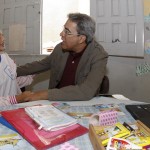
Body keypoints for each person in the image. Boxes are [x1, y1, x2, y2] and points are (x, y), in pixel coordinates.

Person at [17, 13, 108, 101]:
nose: (61, 34)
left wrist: (45, 94)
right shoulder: (60, 48)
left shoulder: (98, 56)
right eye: (63, 29)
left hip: (79, 104)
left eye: (67, 32)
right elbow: (41, 65)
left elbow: (86, 91)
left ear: (81, 39)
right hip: (54, 103)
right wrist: (11, 71)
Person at [0, 30, 33, 106]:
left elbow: (12, 81)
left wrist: (32, 74)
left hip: (14, 109)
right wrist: (16, 99)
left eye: (2, 35)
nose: (3, 39)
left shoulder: (6, 58)